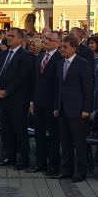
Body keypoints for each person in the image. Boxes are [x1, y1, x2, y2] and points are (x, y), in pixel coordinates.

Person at [53, 36, 93, 182]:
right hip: (63, 108)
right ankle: (66, 169)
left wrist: (86, 108)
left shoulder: (82, 64)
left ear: (74, 48)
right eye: (61, 46)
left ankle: (81, 171)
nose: (62, 49)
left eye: (65, 47)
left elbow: (87, 88)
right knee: (65, 141)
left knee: (79, 141)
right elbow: (58, 87)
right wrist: (57, 106)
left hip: (78, 109)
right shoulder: (59, 64)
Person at [0, 28, 35, 169]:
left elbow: (22, 78)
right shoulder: (3, 53)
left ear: (20, 39)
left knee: (19, 130)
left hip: (18, 99)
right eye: (8, 35)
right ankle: (9, 156)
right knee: (6, 129)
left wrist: (7, 91)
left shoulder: (26, 56)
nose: (9, 38)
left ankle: (23, 159)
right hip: (2, 99)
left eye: (12, 36)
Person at [31, 31, 63, 175]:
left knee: (53, 136)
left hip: (51, 103)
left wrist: (57, 105)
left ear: (58, 43)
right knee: (39, 134)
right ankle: (40, 163)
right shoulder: (40, 57)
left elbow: (59, 84)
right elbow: (34, 80)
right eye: (45, 39)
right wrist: (32, 101)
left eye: (50, 39)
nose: (46, 41)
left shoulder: (59, 58)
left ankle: (54, 164)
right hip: (38, 102)